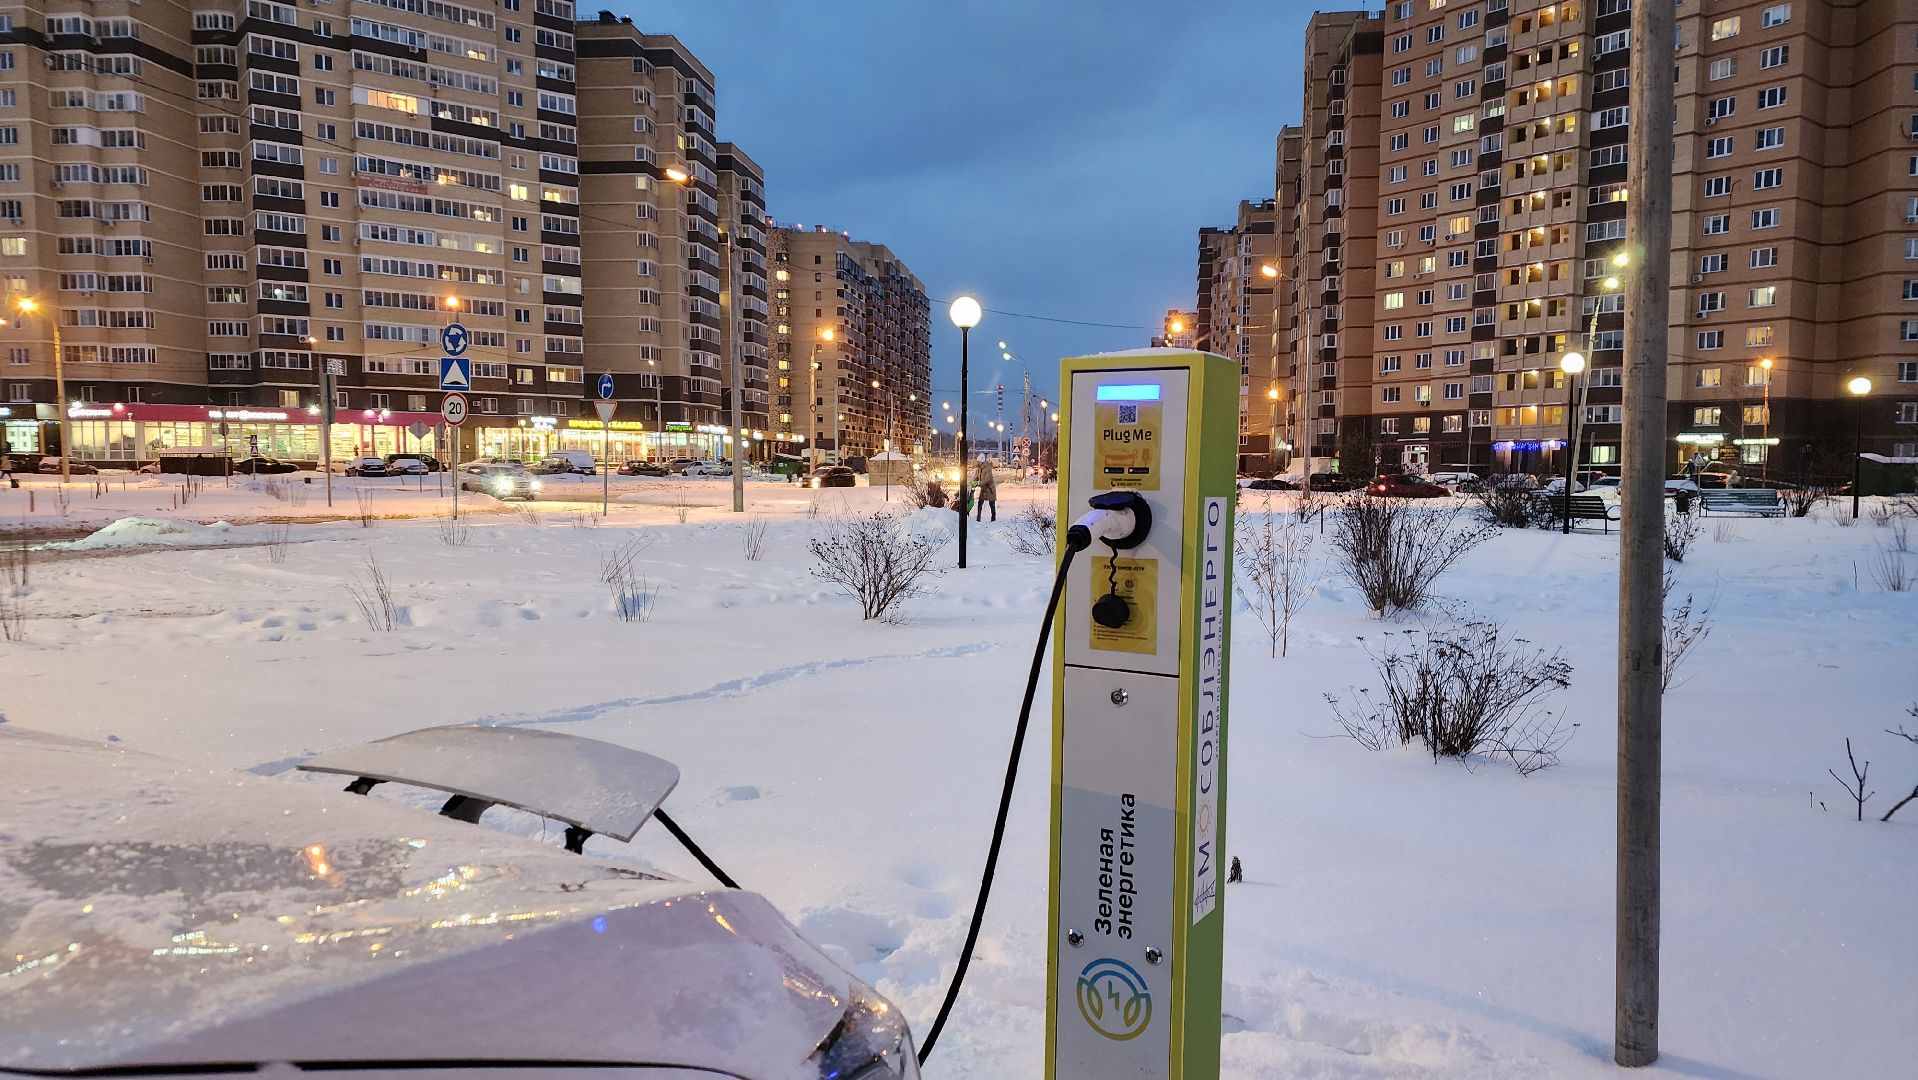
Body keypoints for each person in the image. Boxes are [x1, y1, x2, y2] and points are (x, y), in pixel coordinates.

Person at [973, 455, 998, 522]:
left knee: (991, 505)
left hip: (990, 489)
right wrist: (972, 483)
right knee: (980, 503)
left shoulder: (987, 468)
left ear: (981, 462)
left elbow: (987, 479)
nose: (978, 463)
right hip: (983, 489)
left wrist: (978, 483)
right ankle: (978, 518)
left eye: (979, 462)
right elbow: (976, 477)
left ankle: (993, 519)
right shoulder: (979, 469)